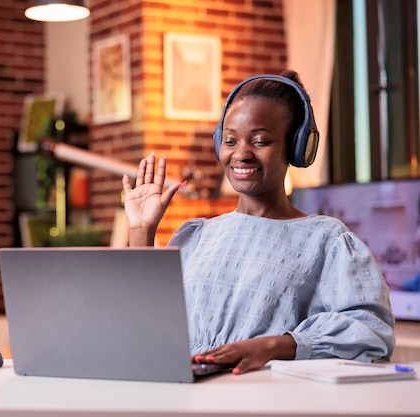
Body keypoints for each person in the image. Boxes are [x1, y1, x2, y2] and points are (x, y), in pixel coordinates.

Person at [121, 70, 395, 375]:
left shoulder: (328, 241)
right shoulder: (196, 237)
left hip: (269, 399)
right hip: (184, 394)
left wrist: (273, 346)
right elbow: (141, 323)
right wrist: (140, 230)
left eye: (260, 141)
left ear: (296, 147)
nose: (241, 154)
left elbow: (371, 330)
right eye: (230, 140)